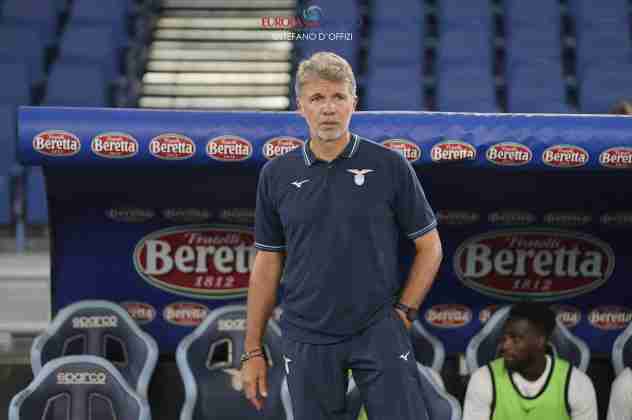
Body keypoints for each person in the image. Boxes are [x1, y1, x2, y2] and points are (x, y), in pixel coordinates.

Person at [240, 51, 442, 420]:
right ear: (301, 106)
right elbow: (267, 262)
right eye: (317, 98)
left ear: (353, 103)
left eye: (338, 97)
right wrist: (252, 349)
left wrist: (404, 312)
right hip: (305, 333)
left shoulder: (389, 165)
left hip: (377, 328)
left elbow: (430, 247)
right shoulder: (276, 174)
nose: (328, 108)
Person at [462, 302, 598, 420]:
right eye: (504, 338)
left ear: (540, 341)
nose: (505, 346)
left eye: (515, 339)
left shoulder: (577, 383)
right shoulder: (483, 378)